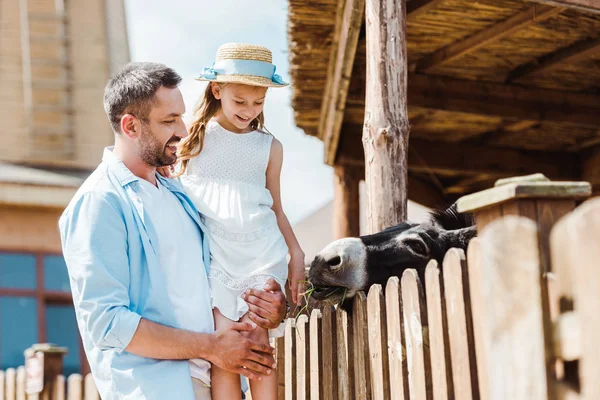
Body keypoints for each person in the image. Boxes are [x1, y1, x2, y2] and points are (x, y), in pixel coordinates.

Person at [58, 61, 288, 400]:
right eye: (169, 121)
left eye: (180, 116)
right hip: (157, 391)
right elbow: (106, 322)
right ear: (130, 126)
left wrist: (270, 304)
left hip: (215, 384)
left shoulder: (179, 193)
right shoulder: (99, 202)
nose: (183, 129)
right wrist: (212, 347)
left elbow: (228, 265)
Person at [174, 43, 305, 400]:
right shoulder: (192, 140)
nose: (249, 111)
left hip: (262, 252)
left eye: (258, 102)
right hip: (217, 255)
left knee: (258, 340)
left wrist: (296, 254)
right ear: (217, 91)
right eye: (240, 101)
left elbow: (276, 208)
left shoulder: (269, 147)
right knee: (226, 349)